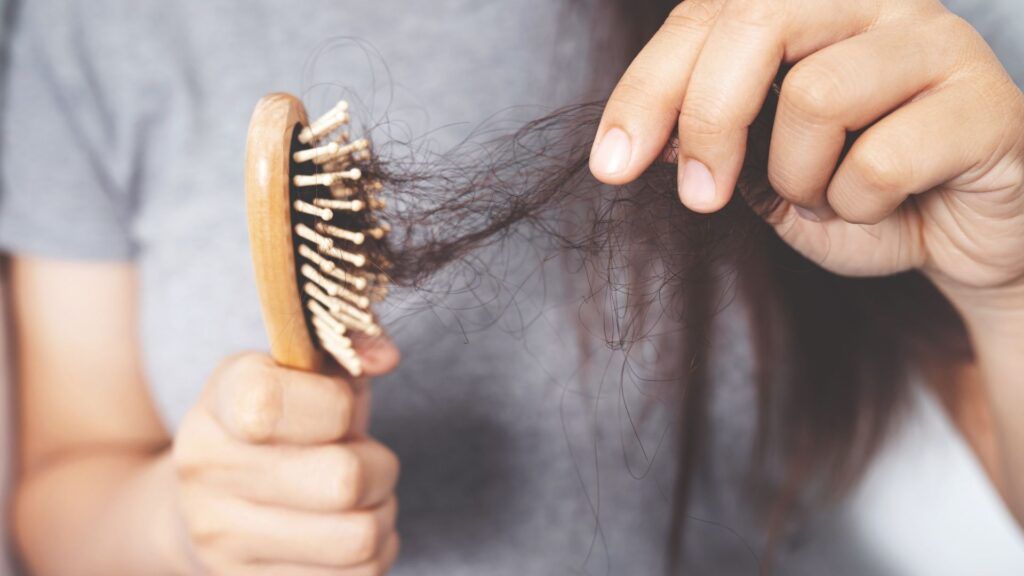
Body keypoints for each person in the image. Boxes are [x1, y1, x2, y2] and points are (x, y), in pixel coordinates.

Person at [0, 1, 1021, 575]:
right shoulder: (96, 33)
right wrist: (181, 526)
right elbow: (66, 485)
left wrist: (1009, 290)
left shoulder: (855, 22)